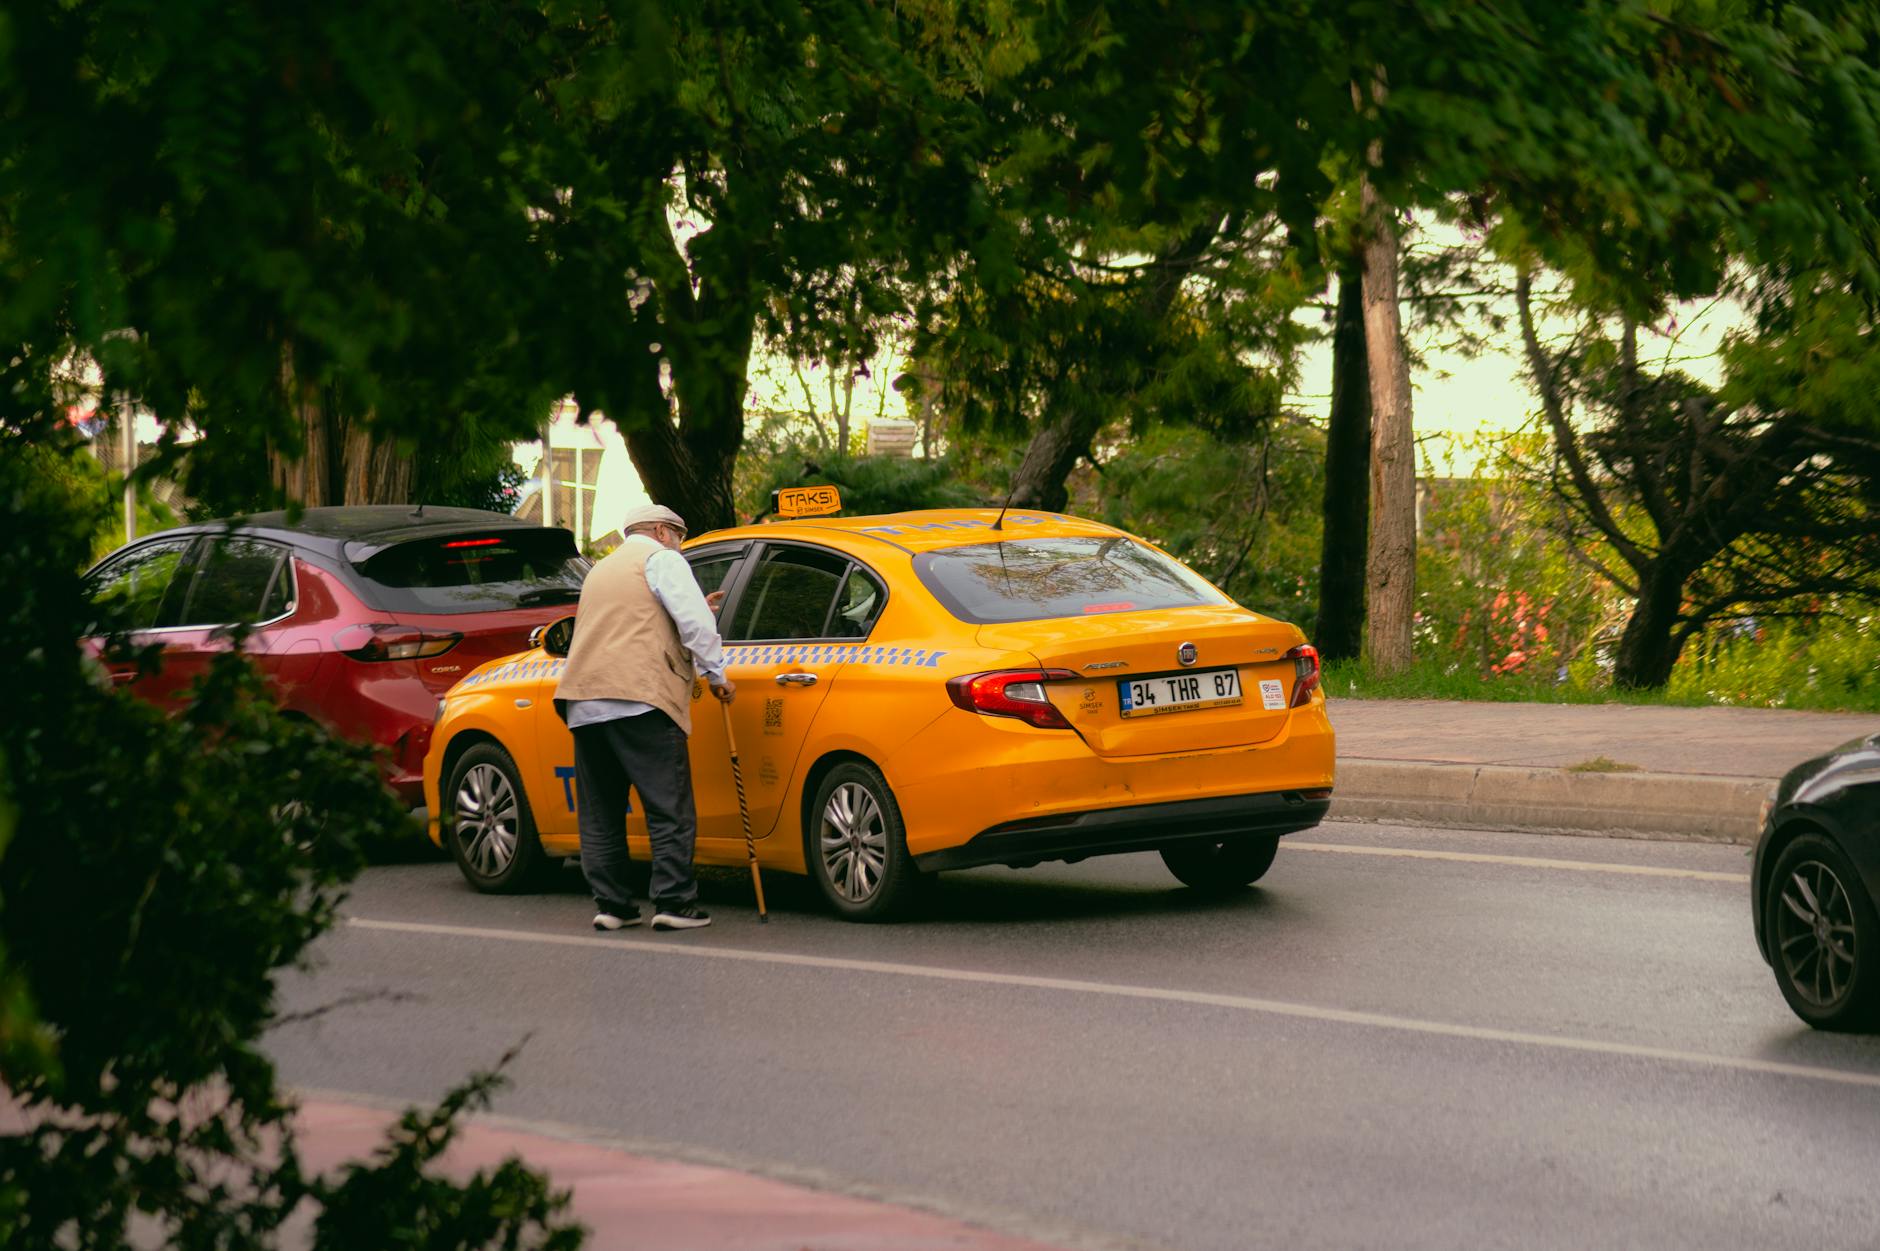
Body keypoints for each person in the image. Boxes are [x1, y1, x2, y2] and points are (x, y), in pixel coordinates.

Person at [556, 503, 734, 932]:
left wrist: (695, 612)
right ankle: (674, 902)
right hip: (639, 697)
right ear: (660, 531)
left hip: (585, 700)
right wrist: (717, 674)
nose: (681, 546)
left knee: (601, 811)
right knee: (667, 805)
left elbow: (633, 622)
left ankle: (612, 906)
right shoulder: (662, 559)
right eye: (680, 536)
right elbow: (693, 624)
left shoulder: (600, 570)